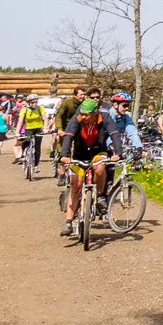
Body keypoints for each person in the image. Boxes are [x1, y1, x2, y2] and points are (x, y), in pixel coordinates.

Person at [60, 100, 117, 237]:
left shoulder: (104, 119)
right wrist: (64, 155)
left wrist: (118, 153)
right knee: (75, 186)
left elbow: (114, 134)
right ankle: (68, 221)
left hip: (98, 152)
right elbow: (68, 135)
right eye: (82, 114)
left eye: (86, 115)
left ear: (94, 113)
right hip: (79, 154)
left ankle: (100, 195)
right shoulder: (78, 119)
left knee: (100, 167)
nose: (83, 117)